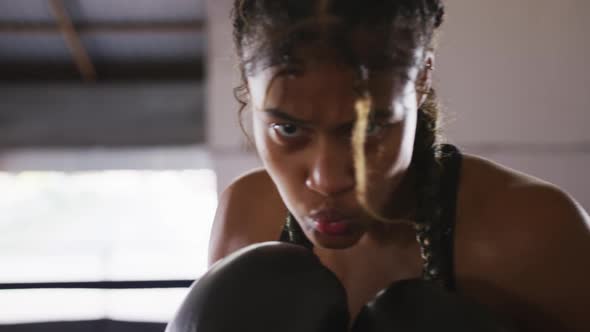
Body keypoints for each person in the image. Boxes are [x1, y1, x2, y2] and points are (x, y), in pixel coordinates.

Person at [204, 0, 590, 331]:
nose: (328, 179)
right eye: (288, 128)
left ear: (422, 79)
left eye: (368, 127)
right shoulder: (245, 220)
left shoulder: (535, 234)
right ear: (249, 91)